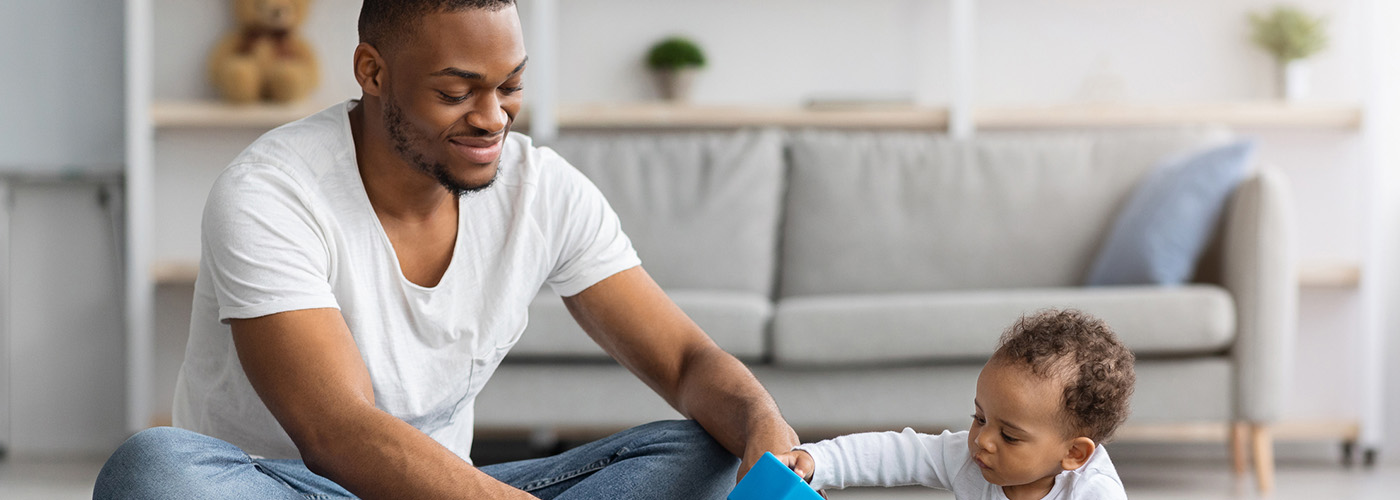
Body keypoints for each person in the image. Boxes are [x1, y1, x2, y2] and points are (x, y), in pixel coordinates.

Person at [94, 1, 799, 498]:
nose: (492, 118)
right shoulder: (271, 193)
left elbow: (683, 361)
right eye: (456, 92)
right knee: (155, 471)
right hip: (283, 489)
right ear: (372, 72)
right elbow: (335, 431)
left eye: (510, 86)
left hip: (453, 489)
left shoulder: (541, 189)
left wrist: (761, 421)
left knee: (708, 448)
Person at [775, 310, 1135, 500]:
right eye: (980, 417)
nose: (982, 440)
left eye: (1009, 436)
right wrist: (819, 460)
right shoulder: (971, 459)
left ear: (1074, 453)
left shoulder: (1095, 493)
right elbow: (897, 453)